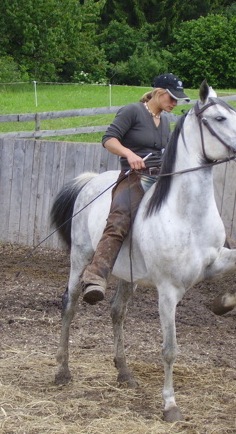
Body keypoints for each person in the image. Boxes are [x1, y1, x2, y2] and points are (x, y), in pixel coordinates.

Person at [81, 73, 190, 304]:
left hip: (160, 178)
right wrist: (130, 154)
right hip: (134, 178)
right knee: (118, 222)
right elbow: (109, 139)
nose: (174, 103)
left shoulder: (166, 121)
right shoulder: (132, 111)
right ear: (159, 93)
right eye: (171, 98)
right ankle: (95, 277)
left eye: (177, 100)